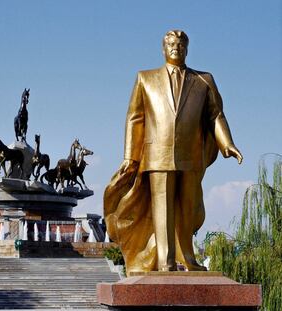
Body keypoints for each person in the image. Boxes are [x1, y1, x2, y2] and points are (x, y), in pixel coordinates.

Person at [104, 30, 242, 274]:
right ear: (163, 48)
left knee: (187, 209)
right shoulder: (145, 78)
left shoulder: (204, 80)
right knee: (163, 210)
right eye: (171, 44)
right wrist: (130, 156)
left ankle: (188, 258)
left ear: (187, 49)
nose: (175, 48)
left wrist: (226, 143)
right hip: (156, 156)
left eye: (180, 44)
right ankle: (165, 261)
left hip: (190, 156)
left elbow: (215, 115)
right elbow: (135, 118)